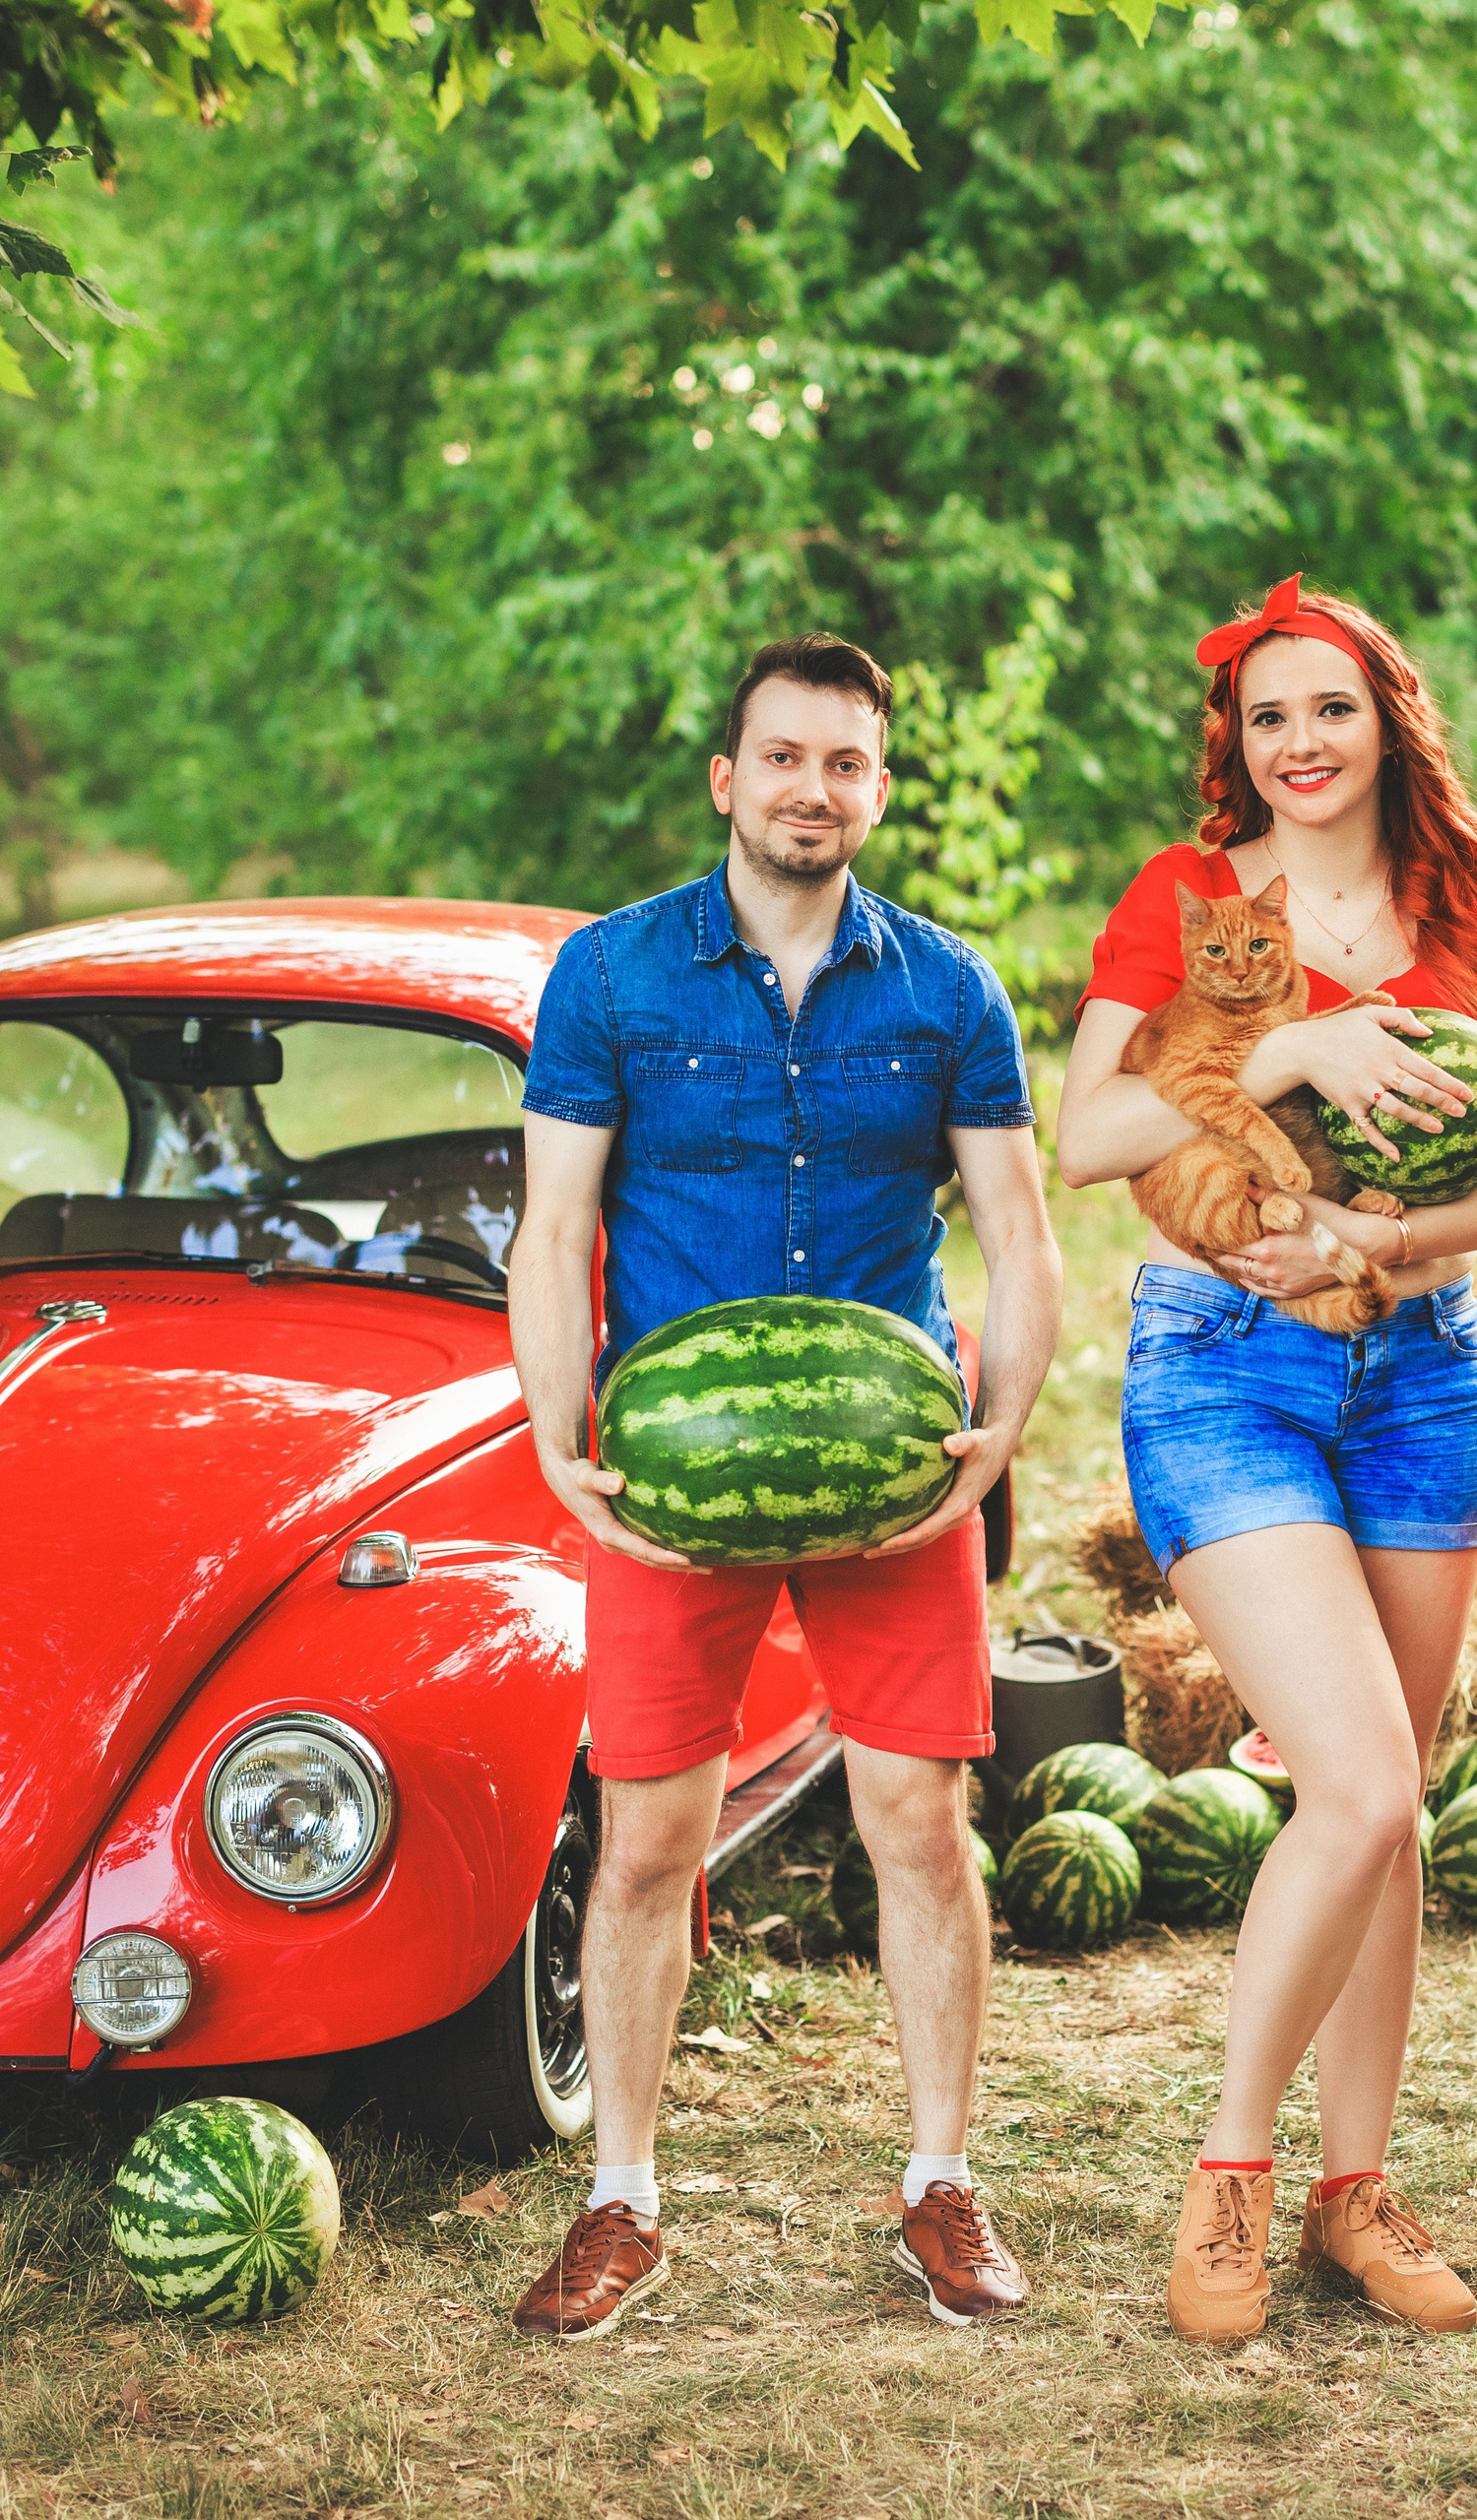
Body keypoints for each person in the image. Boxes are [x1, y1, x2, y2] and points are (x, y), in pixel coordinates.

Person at [507, 632, 1064, 2340]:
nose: (815, 787)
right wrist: (558, 1440)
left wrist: (994, 1438)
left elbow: (1022, 1238)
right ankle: (621, 2196)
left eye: (848, 762)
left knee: (918, 1819)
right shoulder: (610, 976)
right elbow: (549, 1231)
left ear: (878, 789)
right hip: (679, 1472)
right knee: (650, 1834)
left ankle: (942, 2180)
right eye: (786, 756)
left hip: (896, 1462)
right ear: (727, 778)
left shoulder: (948, 989)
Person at [1056, 575, 1477, 2342]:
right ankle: (1231, 2173)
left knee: (1386, 1814)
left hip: (1425, 1371)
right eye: (1267, 714)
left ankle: (1357, 2193)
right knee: (1358, 1777)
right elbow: (1091, 1131)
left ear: (1387, 724)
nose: (1297, 742)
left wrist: (1380, 1248)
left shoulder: (1476, 915)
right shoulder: (1189, 902)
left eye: (1329, 709)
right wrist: (1286, 1041)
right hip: (1222, 1371)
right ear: (1241, 739)